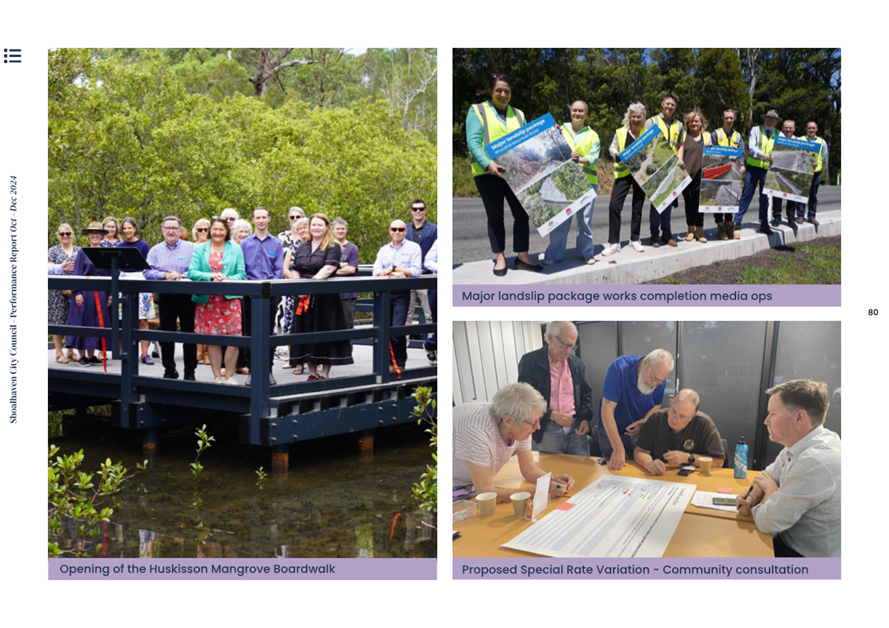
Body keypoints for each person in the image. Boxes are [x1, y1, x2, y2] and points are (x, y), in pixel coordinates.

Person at [736, 380, 840, 557]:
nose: (766, 421)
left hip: (805, 558)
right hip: (789, 538)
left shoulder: (814, 460)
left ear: (799, 417)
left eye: (772, 414)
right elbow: (767, 475)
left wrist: (769, 491)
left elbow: (769, 522)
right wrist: (751, 497)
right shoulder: (802, 444)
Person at [466, 74, 541, 276]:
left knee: (522, 214)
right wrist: (488, 164)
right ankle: (500, 257)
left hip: (516, 173)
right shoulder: (477, 110)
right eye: (499, 90)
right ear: (491, 90)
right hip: (488, 173)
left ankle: (522, 256)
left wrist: (551, 133)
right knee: (495, 217)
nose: (503, 94)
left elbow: (528, 141)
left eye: (507, 91)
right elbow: (473, 142)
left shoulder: (519, 114)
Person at [453, 383, 576, 503]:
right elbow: (486, 493)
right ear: (508, 421)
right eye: (534, 423)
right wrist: (537, 491)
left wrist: (553, 480)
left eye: (539, 419)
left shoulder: (521, 423)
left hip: (472, 484)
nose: (538, 427)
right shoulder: (477, 429)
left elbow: (529, 469)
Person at [290, 213, 354, 380]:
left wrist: (310, 285)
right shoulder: (303, 246)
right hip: (303, 298)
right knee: (306, 331)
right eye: (313, 225)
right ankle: (311, 372)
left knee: (326, 332)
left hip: (325, 299)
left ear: (327, 228)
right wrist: (299, 286)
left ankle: (324, 373)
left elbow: (329, 268)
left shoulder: (333, 246)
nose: (316, 228)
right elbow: (295, 268)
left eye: (320, 225)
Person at [517, 321, 593, 456]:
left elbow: (586, 395)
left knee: (582, 469)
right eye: (564, 345)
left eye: (572, 346)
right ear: (550, 338)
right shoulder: (530, 361)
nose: (568, 351)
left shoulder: (576, 364)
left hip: (575, 427)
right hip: (547, 428)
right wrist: (551, 414)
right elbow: (525, 399)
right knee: (553, 471)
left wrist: (585, 419)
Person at [188, 217, 246, 385]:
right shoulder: (200, 249)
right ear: (209, 231)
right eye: (215, 229)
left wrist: (226, 278)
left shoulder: (235, 249)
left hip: (230, 300)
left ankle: (229, 376)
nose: (218, 232)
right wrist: (211, 276)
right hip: (208, 300)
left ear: (227, 231)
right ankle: (217, 377)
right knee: (213, 341)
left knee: (233, 340)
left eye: (221, 229)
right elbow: (192, 272)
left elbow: (241, 274)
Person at [541, 101, 600, 265]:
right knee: (560, 220)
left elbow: (593, 158)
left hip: (586, 182)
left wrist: (579, 159)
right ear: (570, 112)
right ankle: (554, 253)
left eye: (581, 111)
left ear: (586, 113)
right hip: (562, 182)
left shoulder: (593, 135)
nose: (577, 113)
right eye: (574, 110)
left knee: (585, 220)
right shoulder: (559, 129)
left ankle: (586, 252)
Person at [598, 349, 674, 470]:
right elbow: (606, 411)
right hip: (612, 433)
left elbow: (657, 405)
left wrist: (644, 420)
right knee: (614, 470)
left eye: (659, 381)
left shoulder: (659, 380)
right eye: (653, 377)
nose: (654, 383)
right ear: (646, 362)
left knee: (636, 472)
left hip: (637, 434)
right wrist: (618, 448)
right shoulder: (620, 368)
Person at [144, 215, 197, 380]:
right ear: (162, 230)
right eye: (168, 228)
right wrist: (165, 275)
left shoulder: (191, 248)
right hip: (166, 297)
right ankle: (169, 369)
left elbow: (198, 269)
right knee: (166, 334)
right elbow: (147, 272)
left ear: (180, 230)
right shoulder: (155, 250)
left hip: (188, 296)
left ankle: (190, 372)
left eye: (174, 228)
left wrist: (182, 275)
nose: (171, 231)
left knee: (189, 334)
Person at [633, 389, 726, 475]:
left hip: (693, 479)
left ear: (692, 417)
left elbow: (718, 461)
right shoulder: (656, 419)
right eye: (673, 411)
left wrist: (688, 458)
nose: (674, 419)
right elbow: (640, 451)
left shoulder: (705, 424)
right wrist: (649, 463)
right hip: (660, 477)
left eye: (682, 416)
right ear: (670, 403)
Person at [240, 206, 284, 385]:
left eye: (264, 217)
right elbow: (241, 269)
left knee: (268, 333)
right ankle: (252, 370)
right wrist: (250, 289)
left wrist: (267, 289)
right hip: (249, 295)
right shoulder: (245, 244)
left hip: (270, 294)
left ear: (269, 219)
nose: (260, 220)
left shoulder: (276, 243)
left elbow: (279, 270)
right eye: (257, 217)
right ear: (253, 220)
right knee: (249, 333)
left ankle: (268, 370)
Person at [373, 219, 422, 371]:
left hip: (401, 293)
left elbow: (415, 271)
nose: (397, 232)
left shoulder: (414, 247)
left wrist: (392, 268)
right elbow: (376, 272)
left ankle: (400, 363)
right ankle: (388, 363)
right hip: (384, 293)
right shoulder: (383, 250)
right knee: (384, 329)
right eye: (394, 229)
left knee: (398, 329)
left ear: (405, 231)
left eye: (400, 230)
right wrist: (396, 271)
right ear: (389, 231)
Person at [65, 222, 112, 367]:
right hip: (85, 292)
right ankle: (82, 356)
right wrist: (77, 292)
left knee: (96, 322)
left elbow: (111, 273)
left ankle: (91, 356)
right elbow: (77, 273)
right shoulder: (82, 252)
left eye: (98, 232)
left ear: (102, 235)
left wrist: (110, 293)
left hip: (101, 292)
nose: (95, 235)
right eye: (92, 232)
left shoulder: (107, 252)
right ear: (88, 235)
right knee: (82, 321)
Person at [603, 103, 647, 256]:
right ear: (629, 117)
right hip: (623, 174)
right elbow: (612, 147)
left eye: (638, 117)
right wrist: (617, 154)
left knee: (637, 207)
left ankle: (635, 239)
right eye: (633, 116)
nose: (636, 119)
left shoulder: (646, 133)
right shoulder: (620, 132)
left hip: (641, 174)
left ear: (642, 118)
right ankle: (614, 243)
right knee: (614, 206)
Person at [734, 109, 782, 236]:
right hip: (753, 168)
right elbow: (752, 147)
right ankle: (737, 220)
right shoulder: (756, 130)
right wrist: (765, 156)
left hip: (768, 170)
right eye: (768, 118)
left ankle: (764, 223)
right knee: (746, 195)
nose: (770, 121)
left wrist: (775, 157)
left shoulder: (779, 134)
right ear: (764, 119)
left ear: (776, 122)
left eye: (772, 119)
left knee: (765, 197)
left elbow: (783, 151)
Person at [645, 93, 683, 248]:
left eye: (673, 105)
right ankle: (654, 234)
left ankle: (666, 234)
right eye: (667, 104)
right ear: (662, 104)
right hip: (656, 169)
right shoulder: (652, 121)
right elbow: (645, 144)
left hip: (671, 169)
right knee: (656, 202)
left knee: (668, 201)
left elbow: (680, 145)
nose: (670, 107)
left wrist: (680, 159)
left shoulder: (679, 125)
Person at [118, 217, 155, 365]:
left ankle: (144, 354)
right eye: (124, 228)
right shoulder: (120, 246)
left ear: (135, 229)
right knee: (122, 319)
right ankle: (122, 352)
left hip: (141, 279)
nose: (127, 231)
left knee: (143, 320)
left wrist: (149, 290)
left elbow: (148, 268)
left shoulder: (143, 245)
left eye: (129, 228)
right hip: (123, 279)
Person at [676, 110, 711, 243]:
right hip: (686, 177)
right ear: (687, 123)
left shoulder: (707, 136)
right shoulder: (684, 135)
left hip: (703, 177)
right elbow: (680, 151)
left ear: (701, 123)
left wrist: (710, 146)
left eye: (696, 121)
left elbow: (716, 154)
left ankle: (700, 231)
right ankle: (690, 230)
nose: (694, 123)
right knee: (689, 205)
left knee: (700, 205)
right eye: (691, 121)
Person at [711, 109, 746, 240]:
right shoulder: (716, 134)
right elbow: (710, 152)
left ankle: (729, 228)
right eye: (727, 118)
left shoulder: (738, 136)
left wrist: (742, 165)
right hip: (719, 172)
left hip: (732, 172)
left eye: (731, 118)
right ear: (723, 118)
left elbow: (741, 153)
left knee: (731, 198)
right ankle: (720, 229)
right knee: (719, 199)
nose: (729, 120)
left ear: (735, 118)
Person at [48, 223, 81, 363]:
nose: (65, 236)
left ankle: (70, 350)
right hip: (57, 291)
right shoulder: (53, 250)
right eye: (62, 234)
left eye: (68, 233)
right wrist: (63, 287)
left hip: (75, 290)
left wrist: (74, 289)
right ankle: (58, 352)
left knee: (73, 320)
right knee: (58, 320)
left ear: (72, 234)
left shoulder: (79, 250)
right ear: (58, 236)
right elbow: (49, 269)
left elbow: (83, 270)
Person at [282, 217, 311, 372]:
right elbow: (285, 268)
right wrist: (296, 282)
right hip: (295, 291)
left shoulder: (317, 246)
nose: (303, 231)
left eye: (305, 227)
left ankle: (314, 361)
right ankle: (297, 361)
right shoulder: (293, 248)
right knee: (294, 326)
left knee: (311, 326)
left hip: (312, 291)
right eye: (300, 229)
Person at [405, 199, 437, 328]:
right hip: (408, 277)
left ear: (425, 211)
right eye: (415, 209)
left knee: (430, 314)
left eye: (421, 209)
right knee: (407, 315)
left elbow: (436, 253)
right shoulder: (404, 229)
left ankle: (433, 346)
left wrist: (423, 268)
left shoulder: (434, 229)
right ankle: (403, 347)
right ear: (411, 211)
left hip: (426, 277)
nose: (418, 211)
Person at [332, 217, 359, 348]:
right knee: (329, 324)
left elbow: (351, 269)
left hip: (347, 293)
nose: (340, 231)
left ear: (346, 230)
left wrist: (332, 269)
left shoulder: (352, 248)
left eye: (343, 228)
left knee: (347, 323)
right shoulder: (328, 247)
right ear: (332, 230)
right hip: (329, 292)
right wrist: (340, 266)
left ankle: (347, 351)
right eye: (338, 228)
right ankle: (332, 351)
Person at [770, 120, 799, 230]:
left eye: (790, 128)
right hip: (779, 170)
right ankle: (777, 217)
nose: (788, 130)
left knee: (792, 196)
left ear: (794, 129)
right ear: (782, 128)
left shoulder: (798, 141)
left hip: (792, 172)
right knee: (777, 194)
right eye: (786, 127)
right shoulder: (777, 140)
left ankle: (791, 219)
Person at [799, 121, 828, 226]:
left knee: (813, 196)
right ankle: (800, 216)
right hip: (803, 171)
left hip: (815, 173)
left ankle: (811, 216)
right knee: (801, 194)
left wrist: (817, 163)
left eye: (813, 128)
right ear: (806, 129)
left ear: (816, 129)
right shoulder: (801, 139)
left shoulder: (822, 142)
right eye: (809, 128)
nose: (811, 130)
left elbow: (823, 156)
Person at [422, 239, 437, 365]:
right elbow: (428, 261)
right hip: (436, 283)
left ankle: (431, 344)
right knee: (438, 322)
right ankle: (431, 345)